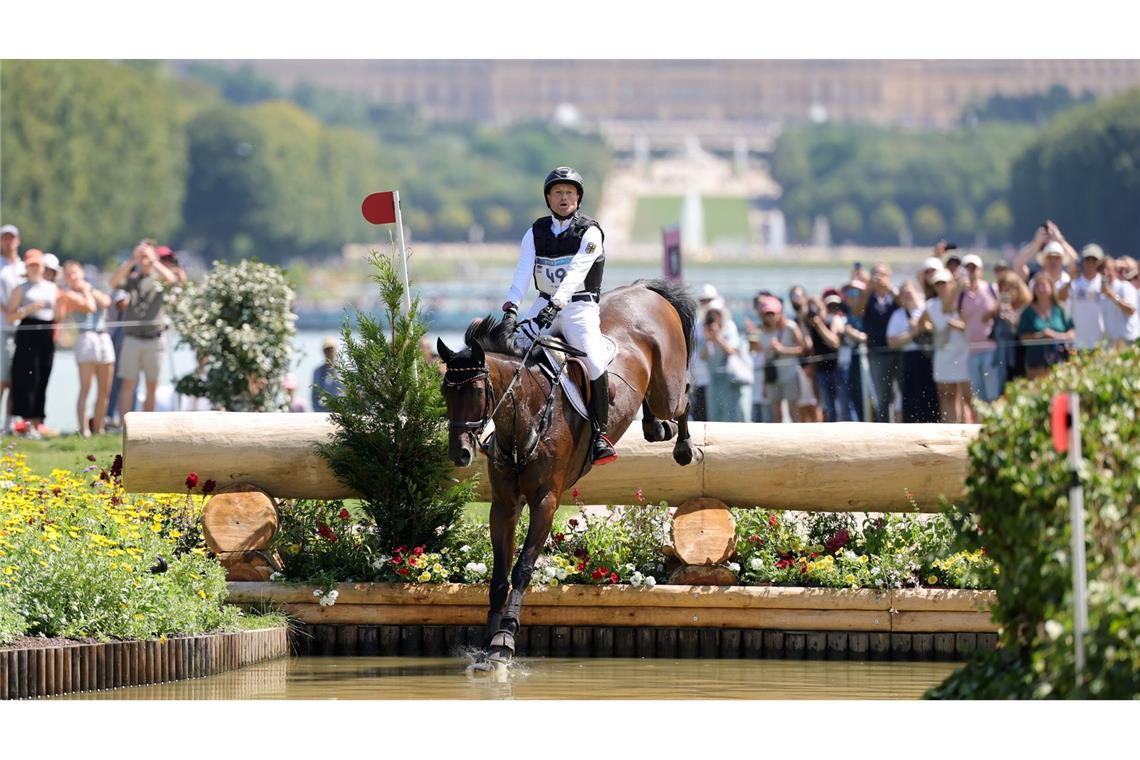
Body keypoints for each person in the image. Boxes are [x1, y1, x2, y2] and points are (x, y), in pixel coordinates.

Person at [500, 166, 616, 465]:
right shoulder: (535, 231)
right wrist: (511, 307)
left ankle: (601, 435)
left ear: (578, 198)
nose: (564, 198)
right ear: (548, 198)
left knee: (592, 360)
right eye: (558, 193)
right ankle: (498, 430)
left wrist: (558, 303)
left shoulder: (590, 231)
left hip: (578, 307)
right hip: (544, 303)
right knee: (512, 353)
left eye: (569, 193)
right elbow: (524, 270)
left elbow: (577, 270)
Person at [109, 240, 180, 419]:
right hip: (132, 338)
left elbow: (172, 280)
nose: (144, 260)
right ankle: (125, 426)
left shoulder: (159, 280)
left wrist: (154, 261)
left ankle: (148, 424)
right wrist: (132, 261)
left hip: (154, 339)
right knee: (128, 384)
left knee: (151, 385)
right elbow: (114, 281)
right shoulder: (132, 280)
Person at [4, 249, 61, 438]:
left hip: (46, 333)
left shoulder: (52, 288)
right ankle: (26, 423)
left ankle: (38, 422)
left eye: (38, 265)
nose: (35, 268)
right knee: (28, 378)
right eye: (32, 265)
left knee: (43, 376)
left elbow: (58, 314)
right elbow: (11, 315)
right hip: (28, 332)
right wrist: (28, 309)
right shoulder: (21, 288)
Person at [60, 261, 114, 437]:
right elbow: (89, 306)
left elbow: (106, 302)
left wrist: (89, 289)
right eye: (70, 275)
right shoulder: (69, 294)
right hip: (86, 338)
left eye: (76, 273)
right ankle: (84, 429)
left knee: (104, 390)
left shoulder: (91, 289)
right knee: (86, 388)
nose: (74, 278)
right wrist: (85, 290)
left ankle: (99, 427)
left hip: (103, 337)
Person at [919, 268, 971, 423]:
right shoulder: (931, 305)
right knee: (947, 396)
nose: (942, 286)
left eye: (945, 283)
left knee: (968, 396)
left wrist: (955, 325)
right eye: (938, 283)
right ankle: (950, 430)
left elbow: (971, 325)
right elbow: (921, 324)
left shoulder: (962, 300)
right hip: (943, 352)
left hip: (963, 353)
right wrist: (932, 329)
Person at [887, 280, 940, 423]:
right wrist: (912, 334)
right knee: (910, 395)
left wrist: (920, 328)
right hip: (909, 357)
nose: (907, 296)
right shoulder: (898, 315)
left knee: (930, 393)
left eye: (909, 292)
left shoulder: (928, 308)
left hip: (930, 356)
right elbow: (891, 341)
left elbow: (937, 330)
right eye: (903, 294)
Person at [751, 296, 808, 423]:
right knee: (776, 415)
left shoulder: (790, 327)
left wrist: (783, 350)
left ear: (779, 313)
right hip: (773, 377)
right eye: (767, 313)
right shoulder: (761, 331)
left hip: (790, 375)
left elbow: (802, 349)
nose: (770, 316)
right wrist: (765, 383)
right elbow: (762, 355)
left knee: (794, 413)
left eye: (772, 313)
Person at [854, 263, 899, 423]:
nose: (880, 278)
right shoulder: (868, 297)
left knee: (898, 392)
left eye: (883, 274)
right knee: (882, 394)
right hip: (877, 351)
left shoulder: (894, 296)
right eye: (876, 275)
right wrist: (868, 289)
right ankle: (884, 425)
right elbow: (857, 311)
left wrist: (890, 289)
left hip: (897, 350)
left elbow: (905, 304)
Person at [958, 253, 1001, 405]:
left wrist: (991, 313)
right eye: (968, 268)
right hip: (971, 350)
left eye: (974, 268)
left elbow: (1001, 305)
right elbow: (952, 312)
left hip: (990, 347)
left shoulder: (990, 288)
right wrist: (959, 289)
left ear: (980, 270)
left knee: (992, 393)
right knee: (978, 396)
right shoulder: (961, 294)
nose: (971, 272)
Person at [1018, 274, 1075, 381]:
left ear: (1051, 288)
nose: (1041, 289)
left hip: (1059, 359)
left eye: (1043, 285)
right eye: (1037, 286)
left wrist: (1056, 336)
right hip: (1036, 362)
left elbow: (1071, 333)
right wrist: (1040, 336)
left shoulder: (1060, 309)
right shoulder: (1027, 312)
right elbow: (1022, 338)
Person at [700, 307, 750, 422]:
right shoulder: (706, 335)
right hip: (713, 379)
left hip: (729, 379)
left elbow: (730, 351)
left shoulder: (728, 329)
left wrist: (718, 337)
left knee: (730, 413)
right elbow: (702, 356)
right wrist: (708, 339)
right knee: (714, 414)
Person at [0, 223, 25, 430]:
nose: (8, 241)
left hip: (22, 329)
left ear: (18, 240)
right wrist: (9, 312)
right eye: (4, 238)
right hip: (2, 327)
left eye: (11, 237)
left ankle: (8, 424)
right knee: (2, 379)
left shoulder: (24, 267)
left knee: (16, 379)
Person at [992, 272, 1032, 390]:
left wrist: (1014, 320)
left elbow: (1024, 328)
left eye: (1009, 289)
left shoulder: (1027, 306)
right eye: (1003, 290)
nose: (1007, 293)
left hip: (1021, 355)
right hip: (1003, 356)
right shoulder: (1001, 307)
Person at [689, 284, 721, 422]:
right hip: (699, 377)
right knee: (699, 415)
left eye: (708, 300)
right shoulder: (697, 324)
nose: (705, 304)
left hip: (716, 377)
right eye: (703, 301)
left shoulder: (724, 323)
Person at [1068, 243, 1107, 351]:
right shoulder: (1075, 283)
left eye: (1093, 260)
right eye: (1087, 259)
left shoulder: (1104, 283)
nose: (1090, 263)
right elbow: (1061, 298)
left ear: (1099, 263)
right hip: (1079, 342)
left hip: (1100, 341)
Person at [1101, 257, 1139, 350]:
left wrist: (1112, 296)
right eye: (1103, 270)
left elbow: (1131, 310)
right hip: (1112, 343)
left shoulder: (1125, 287)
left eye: (1108, 269)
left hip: (1129, 341)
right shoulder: (1102, 293)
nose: (1105, 273)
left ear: (1115, 271)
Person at [312, 336, 343, 412]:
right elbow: (314, 395)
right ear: (323, 351)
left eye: (331, 349)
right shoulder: (317, 371)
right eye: (326, 350)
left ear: (336, 350)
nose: (329, 352)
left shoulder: (343, 371)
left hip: (341, 412)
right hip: (322, 413)